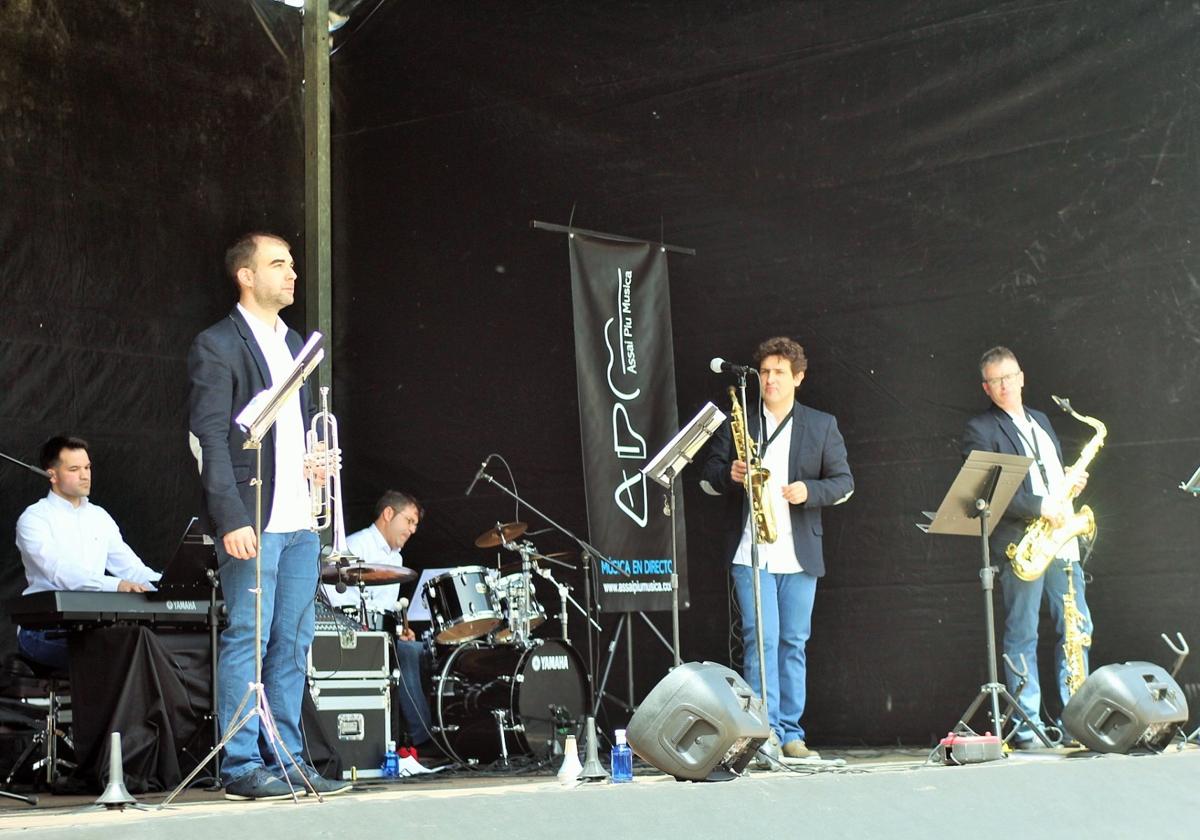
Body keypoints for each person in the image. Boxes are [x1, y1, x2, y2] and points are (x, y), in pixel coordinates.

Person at [188, 231, 349, 800]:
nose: (292, 273)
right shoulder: (218, 344)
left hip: (301, 518)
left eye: (292, 264)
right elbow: (210, 435)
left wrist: (313, 464)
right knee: (247, 641)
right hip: (252, 519)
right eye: (277, 264)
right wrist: (229, 517)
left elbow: (286, 433)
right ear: (246, 276)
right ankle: (238, 765)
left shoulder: (296, 343)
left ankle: (286, 758)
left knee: (292, 642)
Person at [701, 337, 854, 762]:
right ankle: (761, 734)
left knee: (792, 643)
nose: (770, 379)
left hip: (798, 553)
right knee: (760, 641)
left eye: (779, 373)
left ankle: (791, 732)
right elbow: (706, 477)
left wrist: (810, 490)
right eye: (765, 372)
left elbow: (845, 484)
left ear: (798, 378)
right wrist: (729, 474)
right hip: (752, 552)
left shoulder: (821, 425)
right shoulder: (741, 422)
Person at [961, 345, 1093, 747]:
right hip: (1024, 544)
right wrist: (1040, 505)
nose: (1004, 386)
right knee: (1023, 632)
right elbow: (985, 493)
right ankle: (1027, 723)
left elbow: (1045, 474)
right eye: (995, 381)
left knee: (1075, 627)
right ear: (986, 388)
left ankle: (1080, 718)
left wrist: (1067, 485)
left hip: (1060, 540)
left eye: (1009, 377)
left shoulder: (1040, 420)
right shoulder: (980, 430)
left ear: (1022, 377)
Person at [14, 435, 162, 670]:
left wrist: (170, 584)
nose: (85, 475)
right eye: (74, 469)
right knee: (121, 653)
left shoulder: (99, 516)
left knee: (150, 646)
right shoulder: (34, 519)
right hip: (43, 631)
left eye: (87, 467)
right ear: (51, 475)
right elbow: (60, 573)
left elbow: (132, 568)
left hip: (92, 626)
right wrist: (116, 585)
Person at [323, 490, 434, 748]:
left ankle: (412, 736)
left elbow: (384, 609)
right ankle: (424, 740)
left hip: (378, 632)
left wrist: (398, 629)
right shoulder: (356, 545)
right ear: (388, 514)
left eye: (415, 524)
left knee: (421, 650)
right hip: (348, 630)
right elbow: (329, 591)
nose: (413, 529)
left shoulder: (396, 558)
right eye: (409, 521)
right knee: (405, 653)